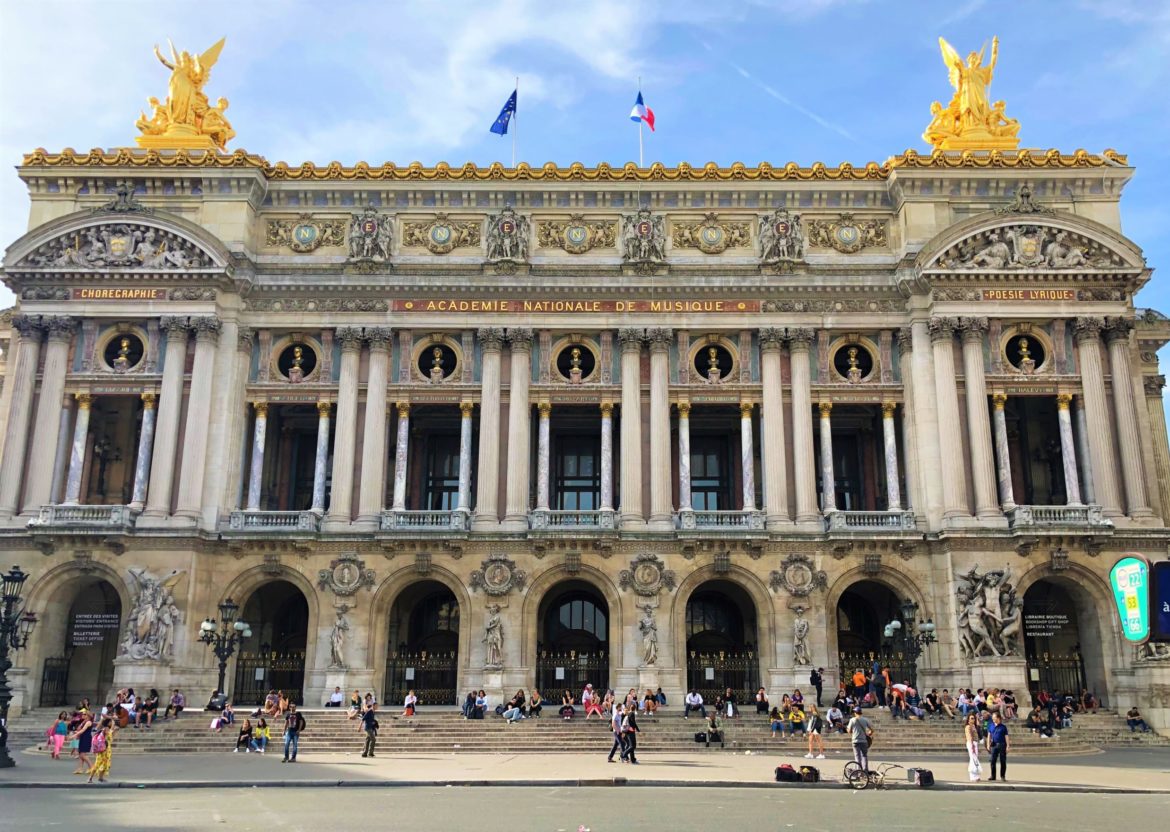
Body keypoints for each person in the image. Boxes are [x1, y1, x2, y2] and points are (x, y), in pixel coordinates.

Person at [87, 717, 115, 784]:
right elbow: (107, 736)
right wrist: (113, 725)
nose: (112, 723)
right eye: (110, 722)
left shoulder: (105, 729)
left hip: (106, 749)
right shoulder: (106, 729)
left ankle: (100, 778)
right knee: (98, 763)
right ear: (108, 723)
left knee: (104, 764)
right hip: (104, 750)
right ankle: (90, 778)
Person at [847, 707, 873, 773]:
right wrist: (868, 734)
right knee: (864, 756)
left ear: (855, 713)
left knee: (857, 757)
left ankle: (858, 772)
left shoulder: (852, 720)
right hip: (864, 741)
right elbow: (872, 730)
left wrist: (850, 730)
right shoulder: (865, 720)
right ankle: (865, 771)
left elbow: (849, 731)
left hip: (855, 741)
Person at [986, 711, 1010, 781]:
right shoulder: (991, 725)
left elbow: (1006, 737)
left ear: (998, 718)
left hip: (1002, 745)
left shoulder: (1003, 727)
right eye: (992, 718)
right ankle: (993, 776)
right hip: (994, 745)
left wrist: (1008, 746)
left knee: (1003, 761)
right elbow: (989, 735)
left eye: (994, 718)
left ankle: (1002, 776)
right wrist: (988, 744)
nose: (993, 719)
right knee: (992, 761)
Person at [70, 709, 95, 775]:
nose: (82, 715)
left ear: (88, 716)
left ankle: (92, 767)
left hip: (86, 738)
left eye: (84, 714)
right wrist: (77, 732)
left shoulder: (88, 722)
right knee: (81, 754)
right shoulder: (84, 722)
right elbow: (80, 730)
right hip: (82, 737)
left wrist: (75, 735)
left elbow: (83, 730)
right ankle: (80, 768)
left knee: (82, 754)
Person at [964, 713, 982, 781]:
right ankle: (973, 776)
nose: (973, 719)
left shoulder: (974, 726)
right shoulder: (968, 726)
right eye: (971, 718)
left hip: (975, 743)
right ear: (968, 719)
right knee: (973, 759)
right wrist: (972, 746)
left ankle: (976, 775)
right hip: (971, 743)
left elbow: (978, 730)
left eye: (974, 718)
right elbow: (969, 737)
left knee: (975, 759)